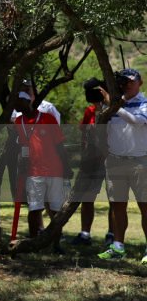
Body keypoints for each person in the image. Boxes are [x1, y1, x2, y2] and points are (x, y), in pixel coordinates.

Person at [95, 68, 147, 262]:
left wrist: (114, 106)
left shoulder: (145, 103)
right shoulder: (114, 106)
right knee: (117, 206)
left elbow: (137, 122)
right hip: (115, 161)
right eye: (124, 81)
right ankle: (117, 247)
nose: (127, 84)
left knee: (145, 206)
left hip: (141, 162)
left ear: (140, 83)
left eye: (131, 81)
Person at [12, 91, 68, 239]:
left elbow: (60, 144)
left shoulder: (47, 118)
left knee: (56, 208)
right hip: (33, 170)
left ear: (27, 102)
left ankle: (56, 241)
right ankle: (33, 240)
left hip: (55, 169)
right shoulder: (18, 122)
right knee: (35, 207)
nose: (16, 105)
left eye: (18, 102)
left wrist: (67, 167)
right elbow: (21, 145)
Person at [69, 78, 113, 245]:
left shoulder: (115, 112)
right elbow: (84, 135)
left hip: (111, 160)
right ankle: (85, 233)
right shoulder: (90, 111)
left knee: (114, 199)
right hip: (92, 160)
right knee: (88, 198)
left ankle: (111, 234)